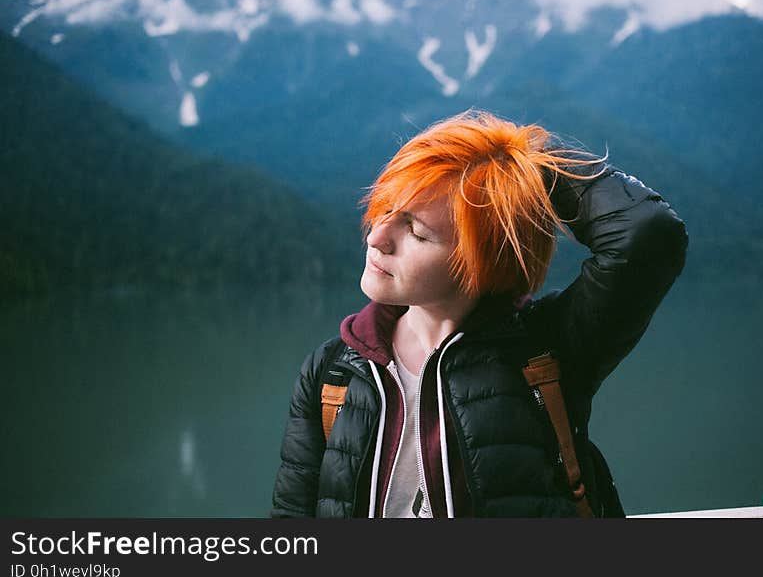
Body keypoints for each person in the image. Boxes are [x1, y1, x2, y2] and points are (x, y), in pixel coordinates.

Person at [271, 109, 688, 518]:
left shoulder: (547, 350)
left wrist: (520, 165)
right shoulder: (333, 373)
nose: (377, 237)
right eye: (384, 210)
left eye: (416, 232)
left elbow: (648, 232)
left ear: (485, 258)